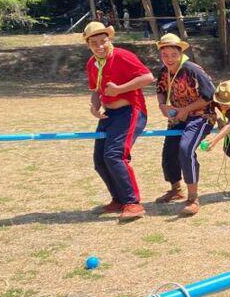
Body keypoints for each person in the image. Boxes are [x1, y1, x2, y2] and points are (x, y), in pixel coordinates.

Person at [84, 21, 154, 222]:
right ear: (88, 45)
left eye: (103, 41)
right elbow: (96, 90)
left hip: (131, 111)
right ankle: (119, 199)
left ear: (109, 39)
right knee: (100, 160)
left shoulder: (123, 55)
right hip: (109, 115)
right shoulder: (92, 63)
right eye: (94, 43)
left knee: (115, 155)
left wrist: (120, 89)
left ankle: (133, 203)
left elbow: (148, 77)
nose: (99, 46)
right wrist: (95, 107)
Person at [153, 33, 215, 216]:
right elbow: (161, 90)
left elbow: (210, 95)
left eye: (173, 54)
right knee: (169, 153)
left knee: (185, 149)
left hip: (201, 116)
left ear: (181, 53)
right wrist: (162, 105)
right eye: (165, 55)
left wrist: (187, 109)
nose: (169, 59)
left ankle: (193, 198)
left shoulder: (193, 69)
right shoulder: (163, 71)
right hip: (178, 117)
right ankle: (175, 189)